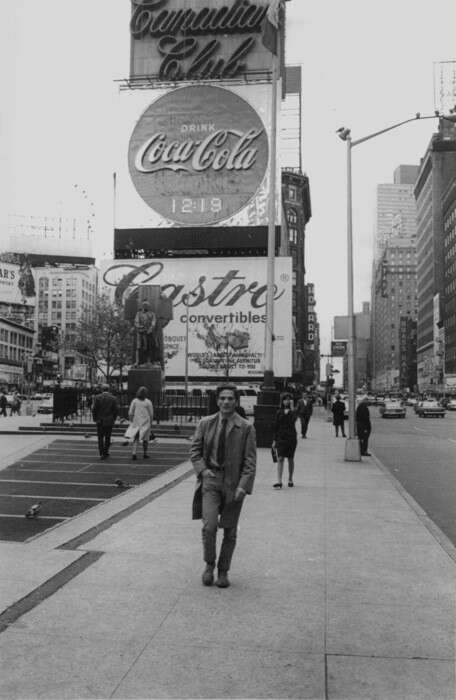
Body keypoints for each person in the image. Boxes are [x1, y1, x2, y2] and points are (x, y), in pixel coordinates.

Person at [190, 383, 256, 589]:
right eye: (223, 398)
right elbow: (195, 451)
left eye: (230, 398)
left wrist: (243, 487)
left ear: (236, 401)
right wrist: (203, 471)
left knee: (229, 530)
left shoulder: (246, 427)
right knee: (209, 526)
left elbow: (250, 461)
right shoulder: (205, 423)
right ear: (217, 400)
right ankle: (209, 565)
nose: (226, 401)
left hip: (233, 485)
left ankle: (223, 570)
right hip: (210, 481)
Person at [272, 393, 298, 488]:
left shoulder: (294, 412)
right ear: (282, 401)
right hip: (281, 438)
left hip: (291, 438)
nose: (286, 401)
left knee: (290, 459)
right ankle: (279, 481)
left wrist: (291, 408)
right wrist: (274, 440)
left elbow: (294, 420)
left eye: (288, 399)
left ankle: (290, 478)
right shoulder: (279, 412)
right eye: (285, 399)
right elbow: (276, 426)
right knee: (280, 458)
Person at [92, 384, 119, 460]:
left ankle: (101, 452)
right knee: (108, 437)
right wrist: (114, 418)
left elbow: (94, 409)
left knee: (100, 437)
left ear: (102, 390)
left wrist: (95, 419)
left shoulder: (97, 397)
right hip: (109, 420)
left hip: (100, 420)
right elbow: (116, 410)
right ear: (108, 389)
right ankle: (105, 451)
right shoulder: (113, 398)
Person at [128, 386, 154, 461]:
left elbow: (130, 412)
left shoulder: (134, 401)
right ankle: (145, 453)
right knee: (145, 439)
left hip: (136, 422)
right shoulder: (148, 402)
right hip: (146, 422)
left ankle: (134, 453)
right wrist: (151, 422)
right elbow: (151, 414)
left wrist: (131, 421)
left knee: (136, 439)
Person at [134, 300, 158, 365]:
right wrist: (140, 327)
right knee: (139, 347)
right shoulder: (138, 313)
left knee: (150, 346)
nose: (146, 306)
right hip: (141, 332)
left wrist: (150, 329)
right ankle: (138, 361)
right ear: (142, 306)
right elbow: (136, 322)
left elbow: (153, 322)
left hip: (149, 333)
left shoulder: (152, 314)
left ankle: (150, 361)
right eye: (144, 305)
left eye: (147, 305)